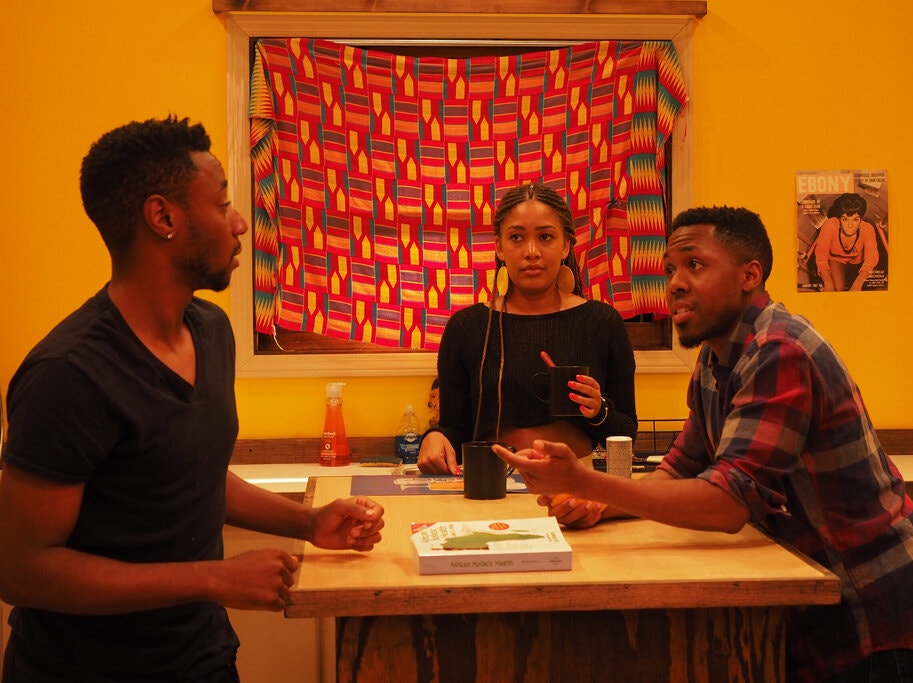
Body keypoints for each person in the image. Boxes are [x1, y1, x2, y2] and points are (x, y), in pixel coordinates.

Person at [496, 206, 913, 682]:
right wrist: (593, 502)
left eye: (694, 265)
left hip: (880, 626)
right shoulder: (716, 359)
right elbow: (680, 467)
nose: (675, 283)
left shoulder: (779, 350)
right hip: (818, 623)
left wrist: (587, 481)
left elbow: (727, 502)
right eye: (670, 270)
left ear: (749, 275)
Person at [0, 116, 386, 682]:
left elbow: (188, 475)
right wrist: (213, 578)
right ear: (163, 218)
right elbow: (20, 569)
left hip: (200, 658)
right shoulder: (70, 374)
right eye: (225, 202)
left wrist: (308, 522)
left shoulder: (210, 330)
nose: (239, 224)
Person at [417, 181, 638, 474]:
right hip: (490, 483)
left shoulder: (602, 323)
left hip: (575, 484)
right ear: (499, 247)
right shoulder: (467, 328)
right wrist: (434, 438)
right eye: (517, 237)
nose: (531, 251)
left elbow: (626, 432)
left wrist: (599, 410)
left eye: (545, 237)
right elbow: (453, 429)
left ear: (566, 245)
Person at [812, 192, 880, 292]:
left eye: (855, 220)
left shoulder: (867, 228)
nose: (850, 225)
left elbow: (872, 256)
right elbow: (821, 254)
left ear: (861, 219)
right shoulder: (830, 224)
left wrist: (858, 283)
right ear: (839, 219)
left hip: (859, 263)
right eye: (845, 219)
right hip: (836, 260)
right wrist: (827, 282)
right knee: (838, 289)